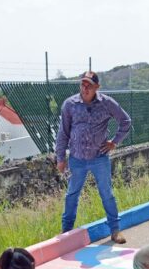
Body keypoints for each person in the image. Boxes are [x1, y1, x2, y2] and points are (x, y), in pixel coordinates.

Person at [55, 71, 132, 244]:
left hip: (99, 158)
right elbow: (63, 132)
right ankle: (66, 232)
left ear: (97, 87)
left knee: (107, 194)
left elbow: (125, 121)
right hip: (76, 159)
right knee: (72, 195)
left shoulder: (107, 103)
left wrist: (115, 142)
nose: (85, 88)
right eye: (83, 84)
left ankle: (115, 230)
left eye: (89, 85)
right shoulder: (70, 104)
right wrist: (60, 158)